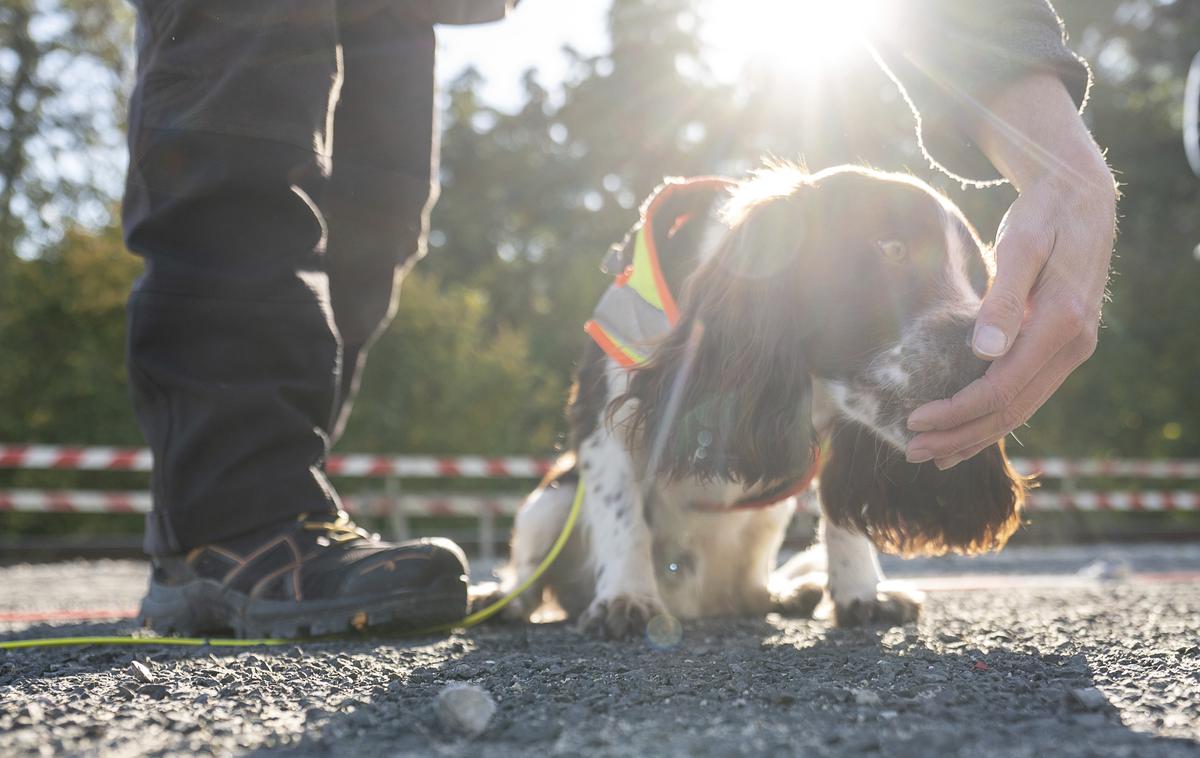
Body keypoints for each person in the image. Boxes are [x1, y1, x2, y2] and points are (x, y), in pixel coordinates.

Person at [121, 0, 1115, 638]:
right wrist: (620, 579)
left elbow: (829, 409)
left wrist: (1037, 121)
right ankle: (237, 520)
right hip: (627, 549)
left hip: (411, 8)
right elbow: (599, 420)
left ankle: (279, 496)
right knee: (246, 154)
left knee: (376, 217)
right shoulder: (691, 277)